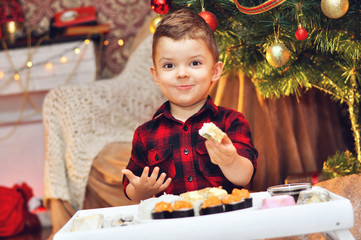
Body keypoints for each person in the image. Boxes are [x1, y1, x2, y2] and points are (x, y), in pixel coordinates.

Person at [122, 8, 258, 203]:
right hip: (173, 228)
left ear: (215, 71)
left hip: (223, 223)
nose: (182, 73)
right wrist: (142, 190)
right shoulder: (145, 135)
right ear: (156, 75)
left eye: (195, 63)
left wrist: (230, 161)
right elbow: (130, 188)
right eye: (169, 65)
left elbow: (245, 176)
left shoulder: (230, 121)